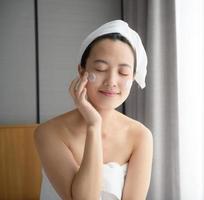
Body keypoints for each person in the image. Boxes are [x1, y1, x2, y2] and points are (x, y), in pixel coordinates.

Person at [34, 20, 153, 200]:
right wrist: (93, 125)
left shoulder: (140, 136)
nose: (112, 81)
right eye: (101, 68)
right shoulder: (48, 133)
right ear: (82, 72)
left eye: (123, 73)